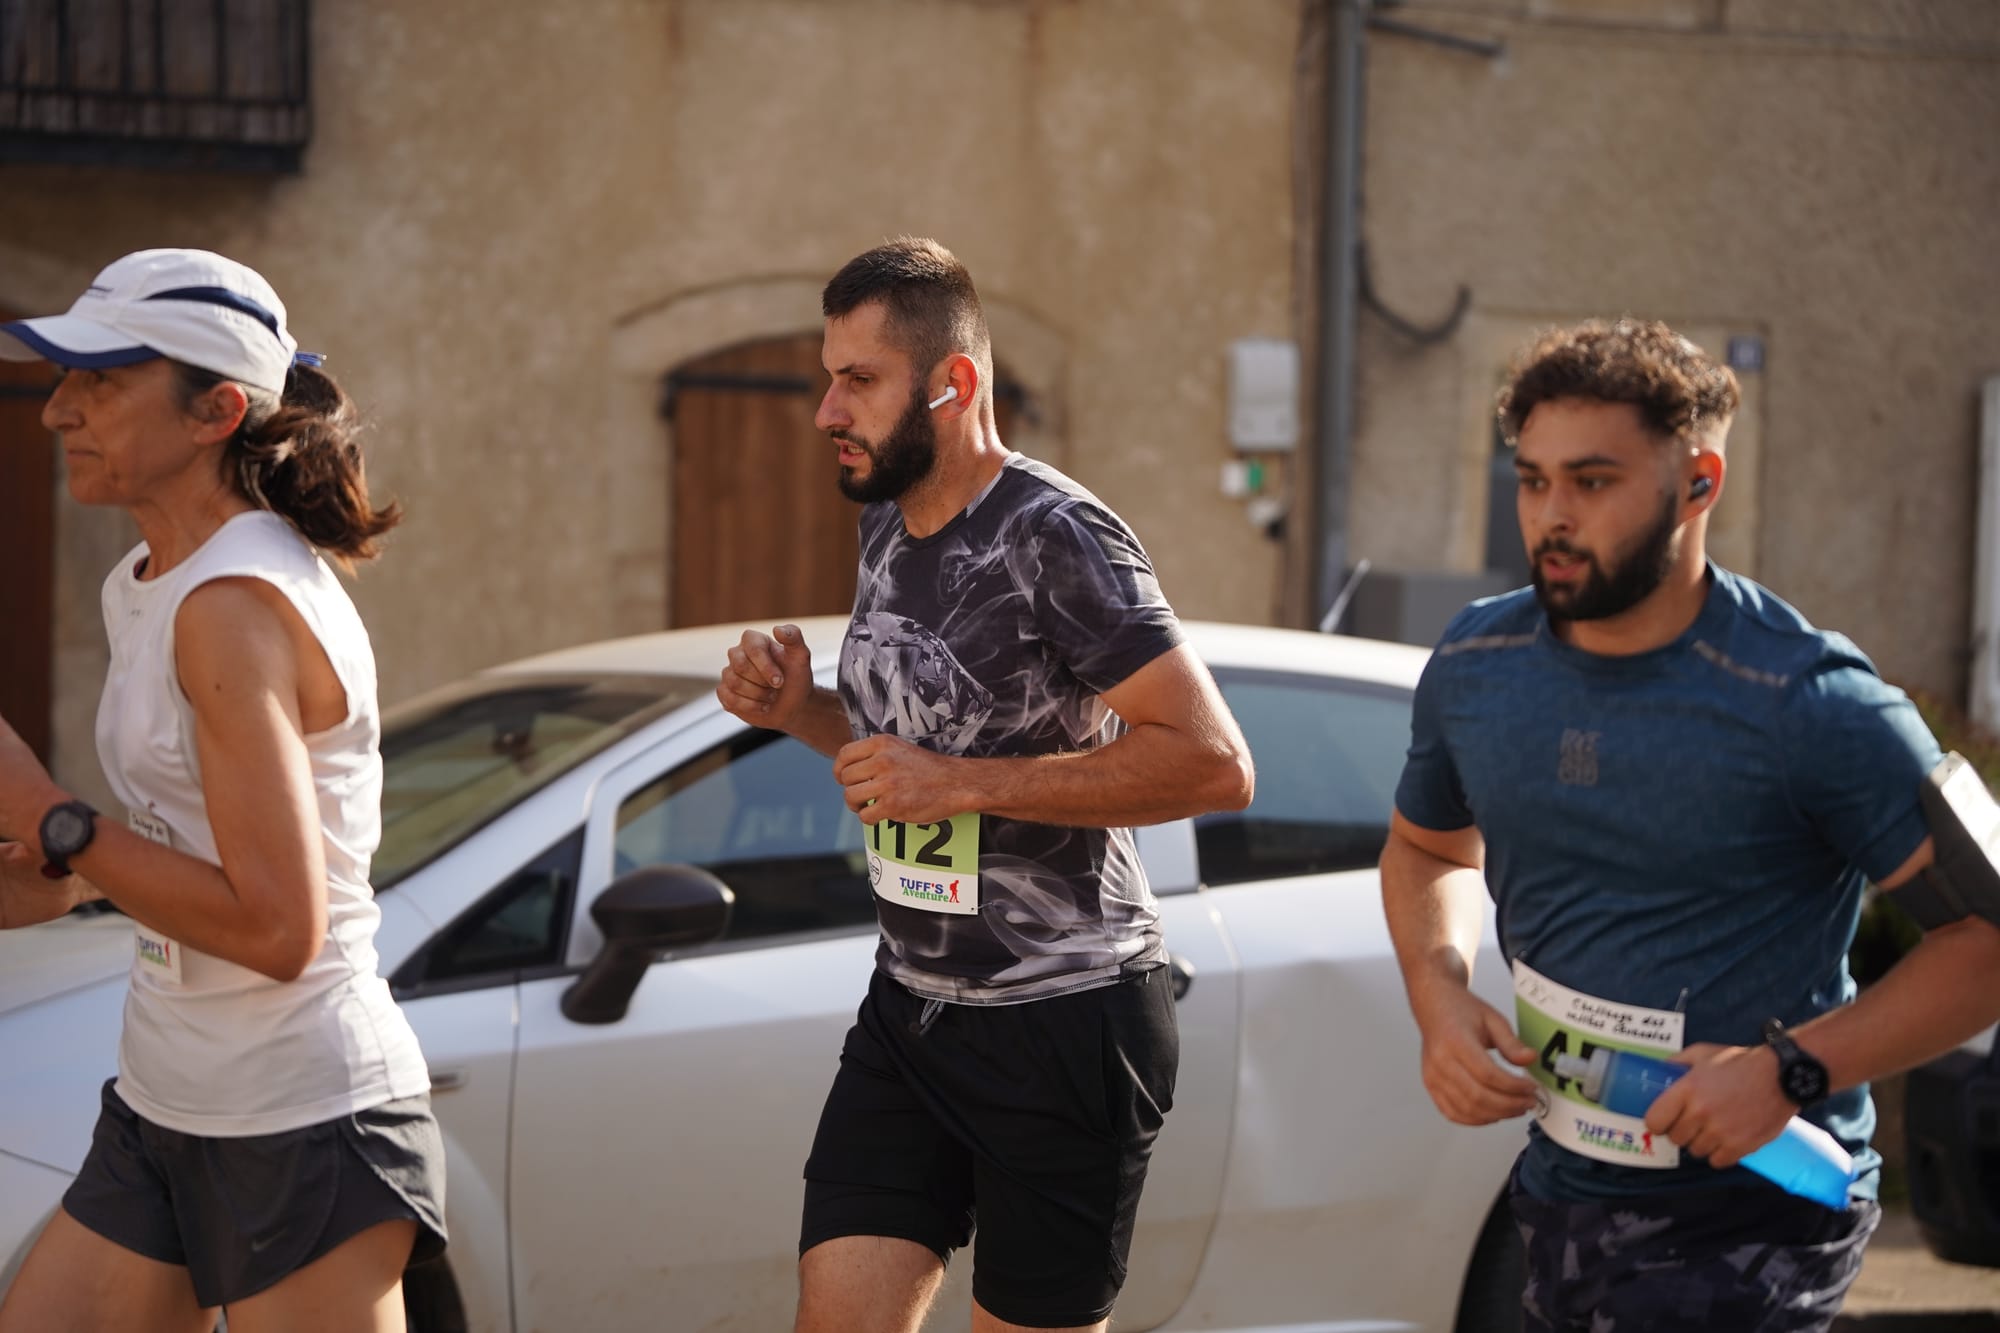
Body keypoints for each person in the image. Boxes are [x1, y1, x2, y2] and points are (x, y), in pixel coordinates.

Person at [1381, 317, 2000, 1332]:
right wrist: (1435, 991)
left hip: (1753, 1207)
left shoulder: (1809, 701)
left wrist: (1789, 1069)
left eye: (1591, 481)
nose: (1550, 516)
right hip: (1560, 1187)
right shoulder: (1473, 662)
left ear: (1699, 483)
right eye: (1531, 480)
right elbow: (1427, 848)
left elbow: (1984, 943)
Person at [716, 237, 1254, 1333]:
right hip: (911, 1012)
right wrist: (797, 714)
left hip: (1064, 1023)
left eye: (857, 380)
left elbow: (1212, 760)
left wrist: (958, 782)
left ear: (952, 384)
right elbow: (902, 761)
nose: (826, 409)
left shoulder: (1057, 535)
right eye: (829, 376)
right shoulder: (885, 517)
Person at [0, 249, 444, 1333]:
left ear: (217, 411)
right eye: (64, 378)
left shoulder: (232, 606)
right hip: (164, 1099)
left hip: (300, 1114)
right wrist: (64, 874)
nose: (60, 410)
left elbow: (280, 924)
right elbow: (175, 854)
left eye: (99, 380)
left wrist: (53, 814)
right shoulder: (148, 585)